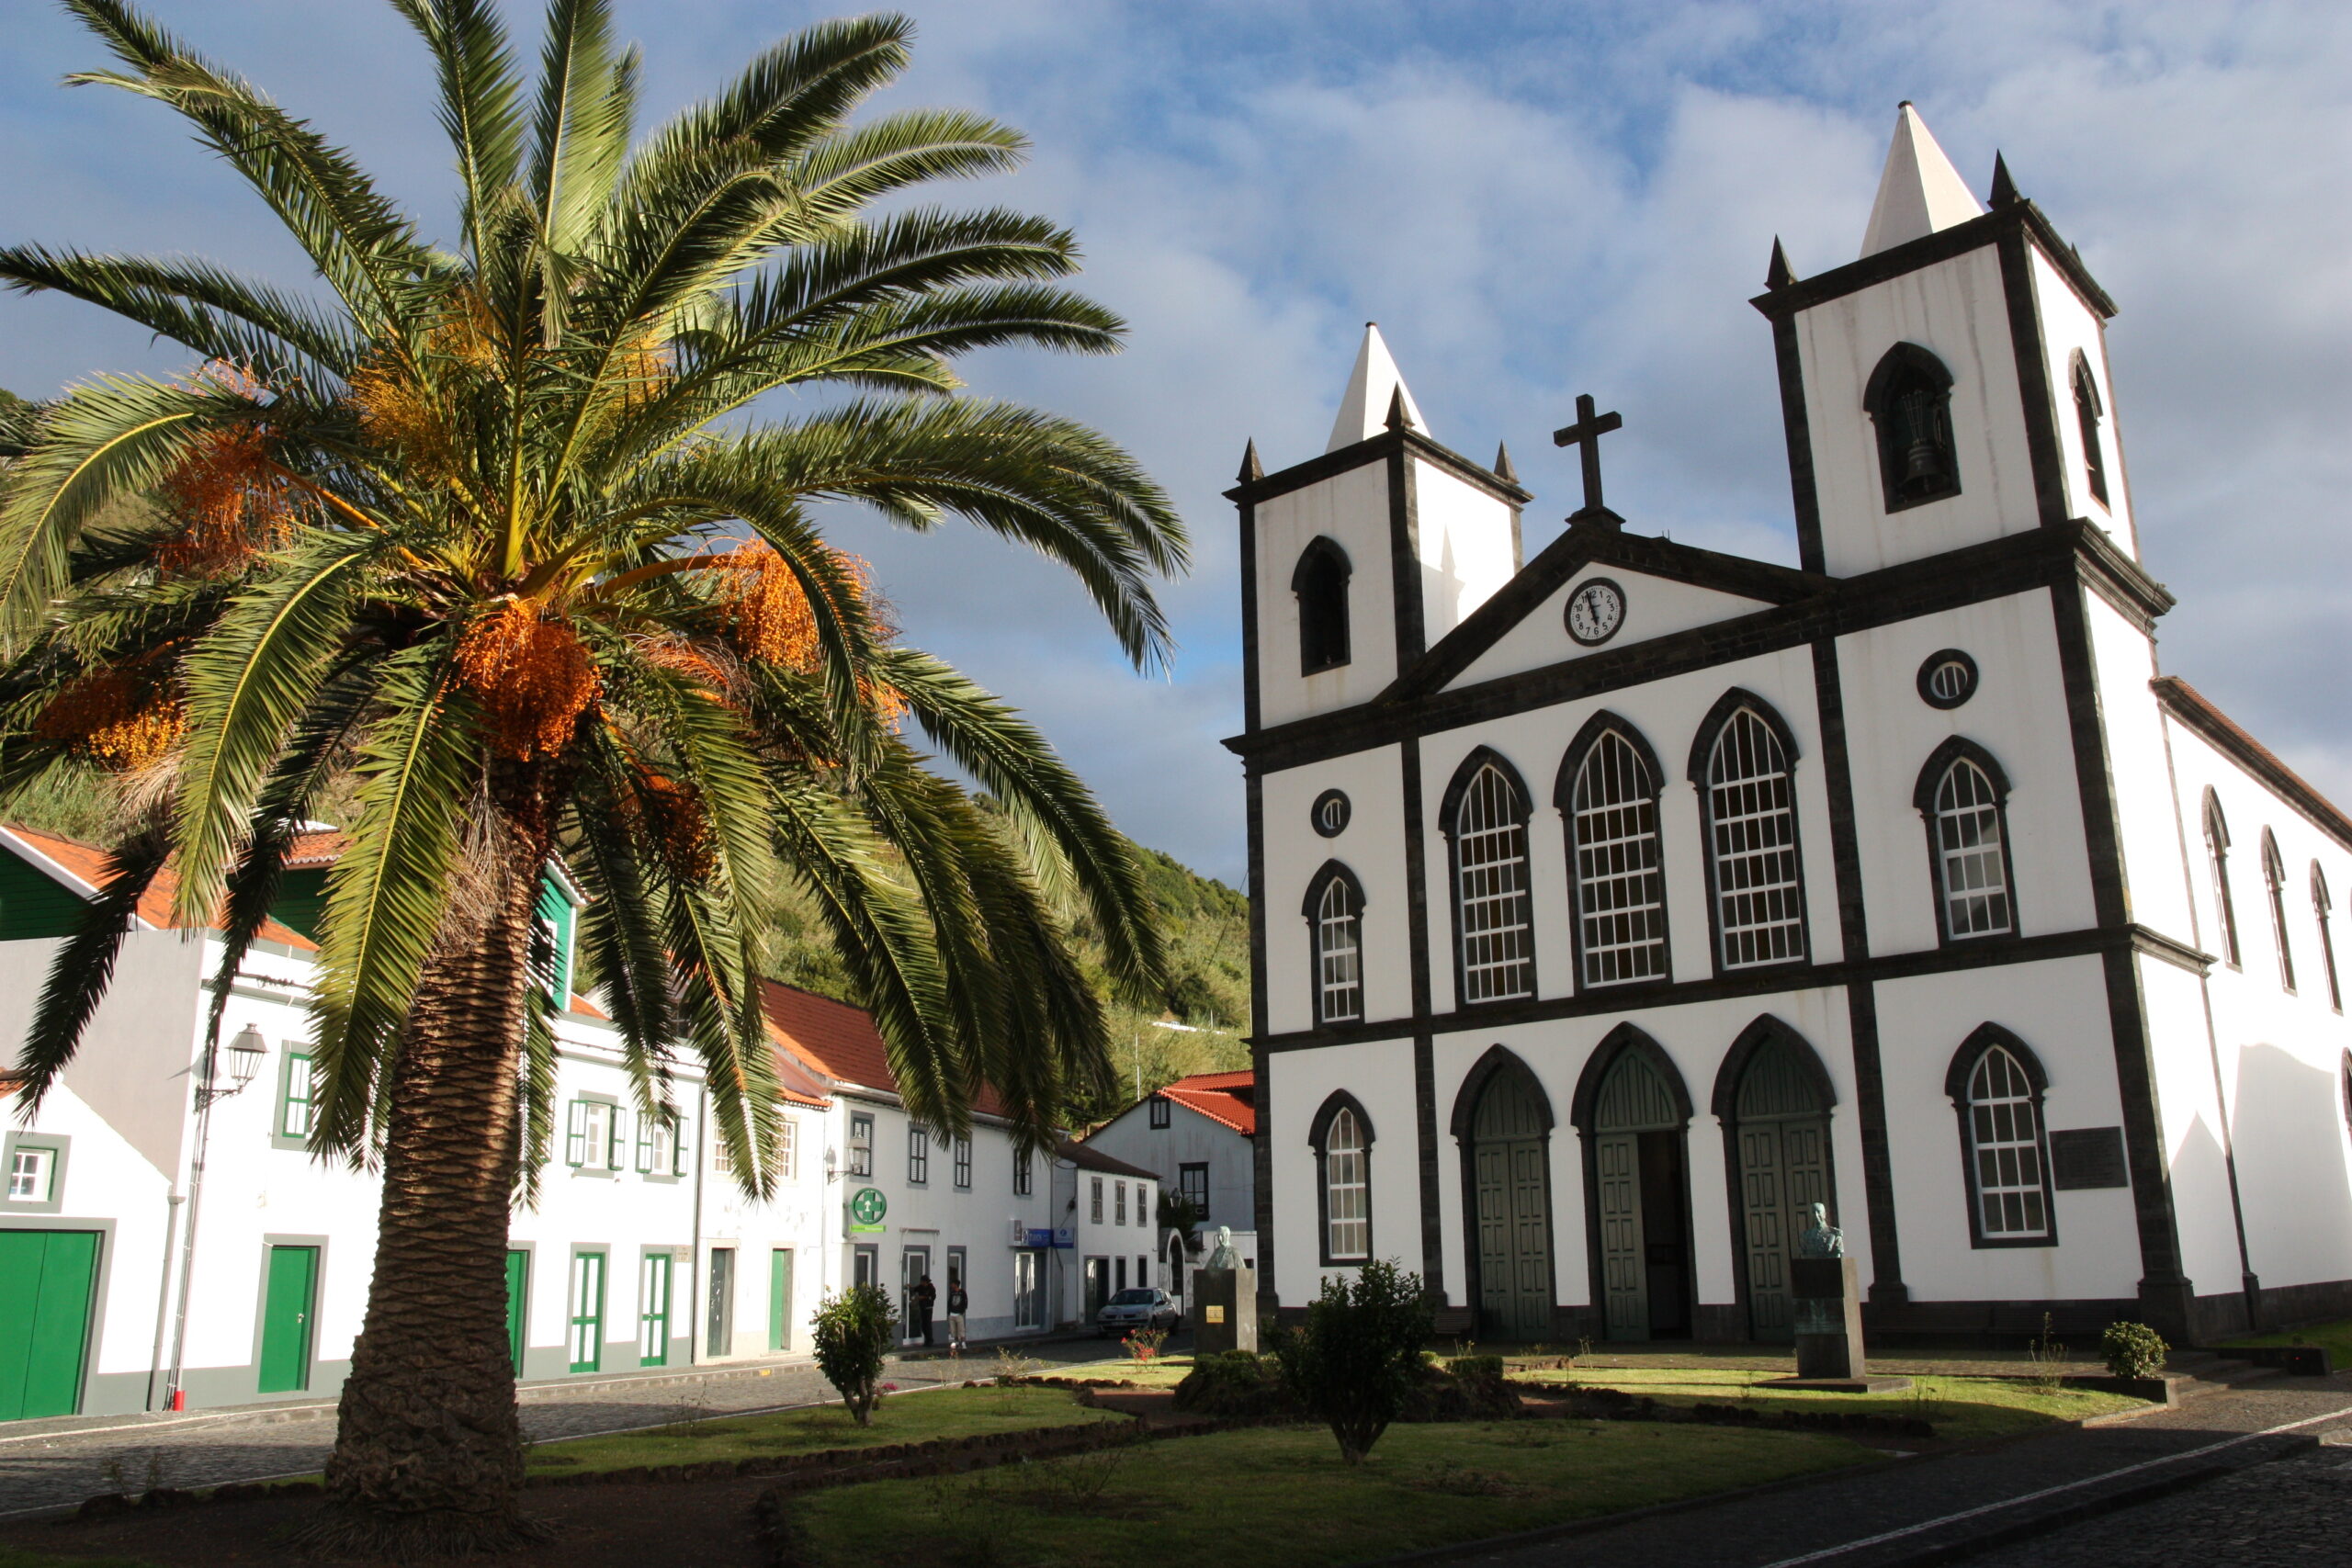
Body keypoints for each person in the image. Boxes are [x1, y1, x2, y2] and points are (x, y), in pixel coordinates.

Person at [911, 1273, 938, 1347]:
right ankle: (927, 1339)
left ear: (925, 1282)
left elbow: (932, 1297)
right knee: (923, 1325)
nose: (921, 1283)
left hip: (929, 1308)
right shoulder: (920, 1287)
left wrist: (923, 1297)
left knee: (928, 1324)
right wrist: (910, 1287)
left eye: (922, 1281)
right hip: (922, 1307)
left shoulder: (931, 1288)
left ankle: (930, 1340)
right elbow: (915, 1289)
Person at [945, 1278, 969, 1353]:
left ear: (956, 1285)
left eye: (952, 1284)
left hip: (959, 1314)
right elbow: (949, 1302)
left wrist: (963, 1311)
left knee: (961, 1329)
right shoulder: (952, 1293)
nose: (951, 1285)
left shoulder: (962, 1292)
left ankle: (963, 1342)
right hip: (952, 1314)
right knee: (953, 1330)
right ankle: (956, 1342)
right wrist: (949, 1311)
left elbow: (965, 1301)